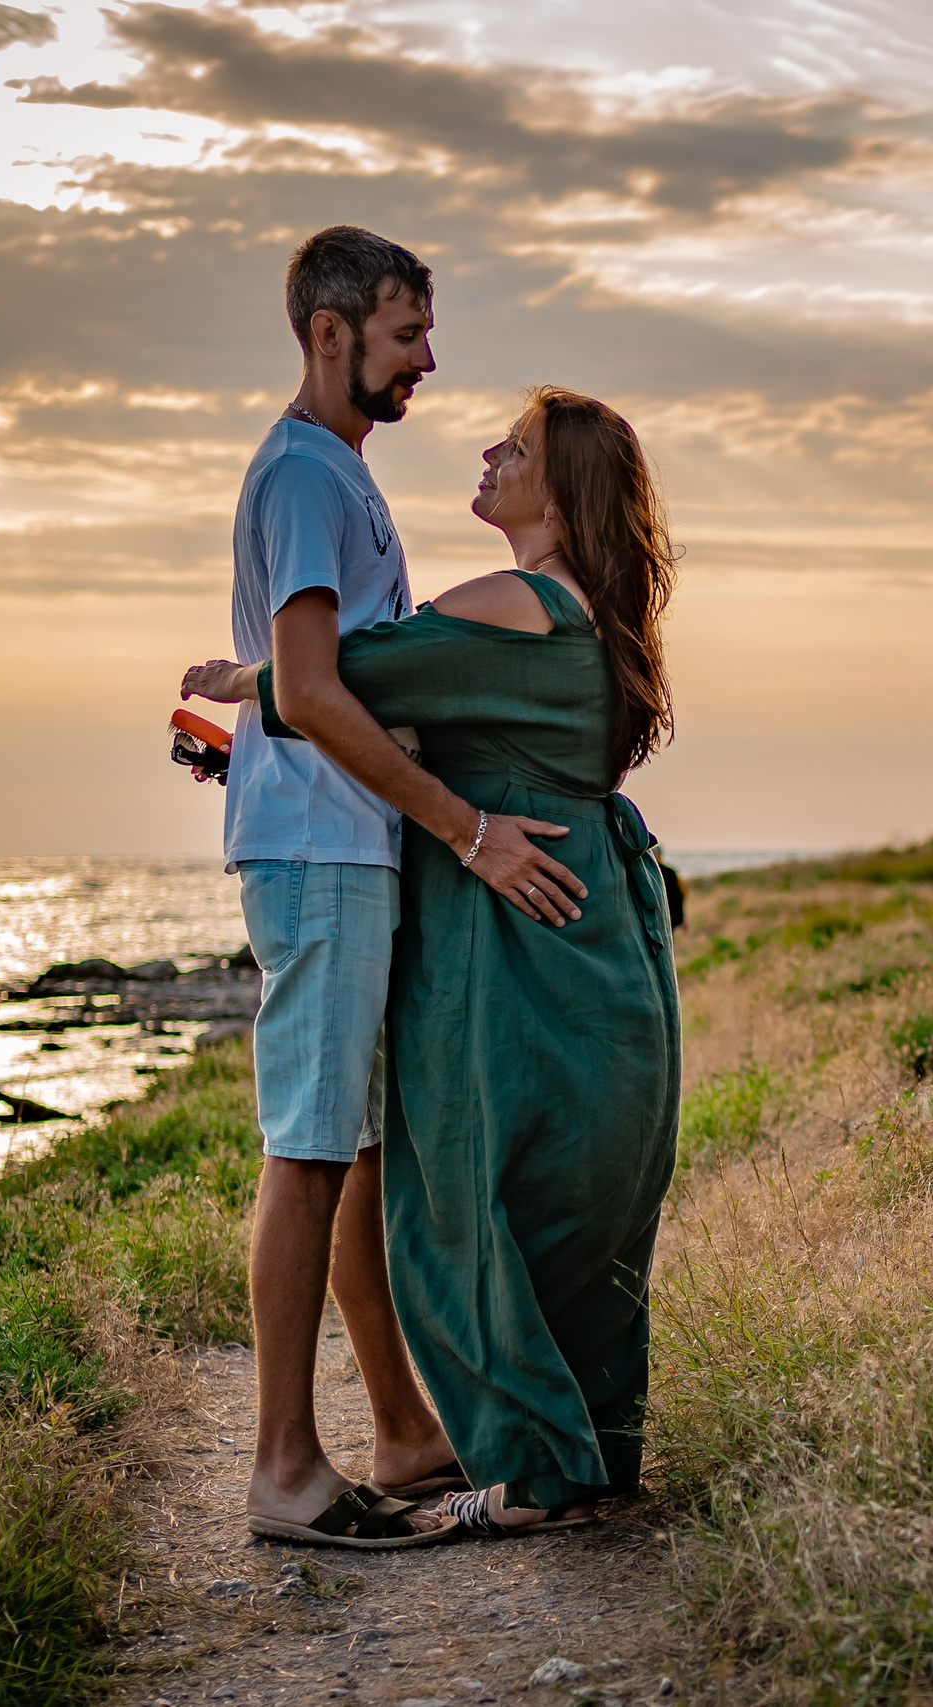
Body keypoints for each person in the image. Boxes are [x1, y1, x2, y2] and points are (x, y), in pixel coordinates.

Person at [185, 386, 682, 1535]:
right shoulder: (588, 611)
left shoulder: (506, 602)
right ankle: (570, 1452)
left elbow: (349, 679)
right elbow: (431, 724)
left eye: (516, 448)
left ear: (559, 491)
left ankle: (528, 1474)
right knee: (572, 1191)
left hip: (515, 940)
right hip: (596, 933)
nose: (489, 451)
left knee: (467, 1187)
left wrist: (241, 687)